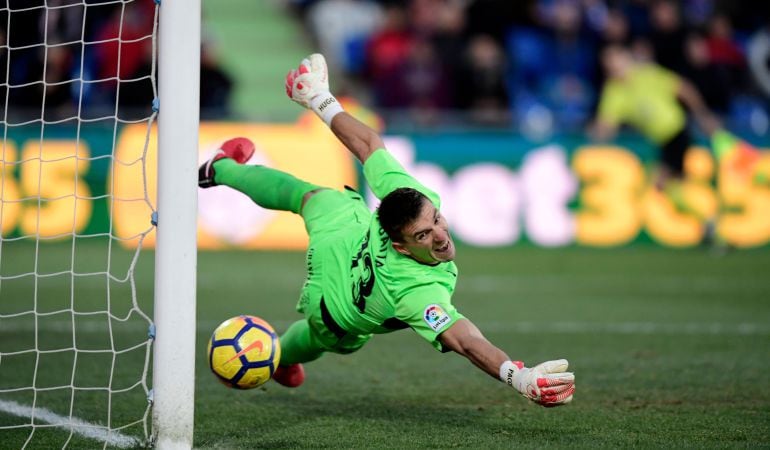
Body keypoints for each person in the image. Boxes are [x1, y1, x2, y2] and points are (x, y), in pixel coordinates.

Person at [198, 54, 575, 407]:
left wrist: (319, 98)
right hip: (336, 305)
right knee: (319, 336)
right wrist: (517, 376)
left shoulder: (407, 197)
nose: (441, 235)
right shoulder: (415, 291)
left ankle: (220, 169)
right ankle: (280, 354)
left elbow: (367, 144)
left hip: (345, 239)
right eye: (424, 236)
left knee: (311, 197)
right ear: (402, 244)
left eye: (436, 221)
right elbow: (465, 340)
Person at [591, 44, 721, 190]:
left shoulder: (648, 74)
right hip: (656, 144)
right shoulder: (613, 91)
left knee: (669, 181)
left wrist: (703, 115)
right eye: (609, 64)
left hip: (678, 132)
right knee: (664, 185)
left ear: (626, 58)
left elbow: (684, 89)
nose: (614, 66)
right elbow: (606, 123)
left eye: (616, 60)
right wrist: (595, 136)